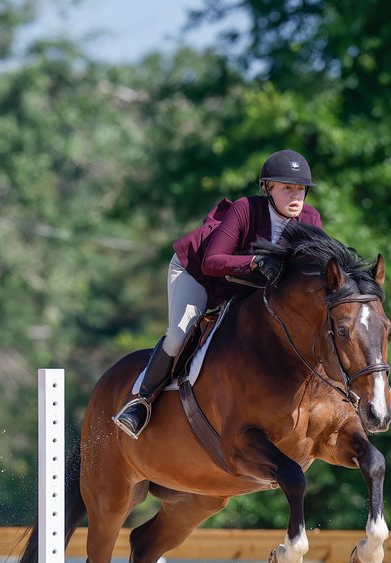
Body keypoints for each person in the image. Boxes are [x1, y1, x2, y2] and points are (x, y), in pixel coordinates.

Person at [112, 149, 325, 439]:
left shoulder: (310, 220)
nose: (296, 196)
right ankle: (139, 403)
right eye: (287, 188)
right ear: (268, 189)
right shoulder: (245, 210)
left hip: (244, 287)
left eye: (300, 189)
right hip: (198, 274)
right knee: (179, 333)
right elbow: (212, 261)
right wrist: (253, 261)